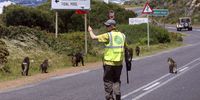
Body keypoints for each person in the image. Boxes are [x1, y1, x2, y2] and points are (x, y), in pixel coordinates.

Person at [88, 19, 126, 100]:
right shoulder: (123, 35)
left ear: (112, 26)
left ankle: (110, 98)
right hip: (119, 64)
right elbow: (125, 48)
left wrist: (90, 30)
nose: (106, 27)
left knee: (108, 81)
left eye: (107, 26)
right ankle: (118, 94)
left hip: (108, 63)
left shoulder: (108, 35)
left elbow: (93, 37)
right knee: (116, 80)